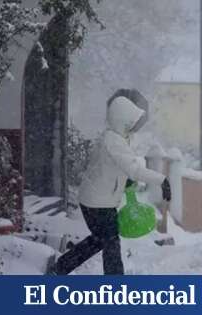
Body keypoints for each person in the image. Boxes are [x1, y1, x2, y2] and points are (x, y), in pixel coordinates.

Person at [48, 94, 171, 275]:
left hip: (95, 199)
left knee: (100, 240)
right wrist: (162, 180)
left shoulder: (112, 138)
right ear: (122, 120)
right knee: (111, 243)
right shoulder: (114, 141)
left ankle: (60, 268)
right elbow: (135, 169)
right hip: (99, 203)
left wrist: (125, 179)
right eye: (131, 121)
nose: (134, 125)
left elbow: (112, 166)